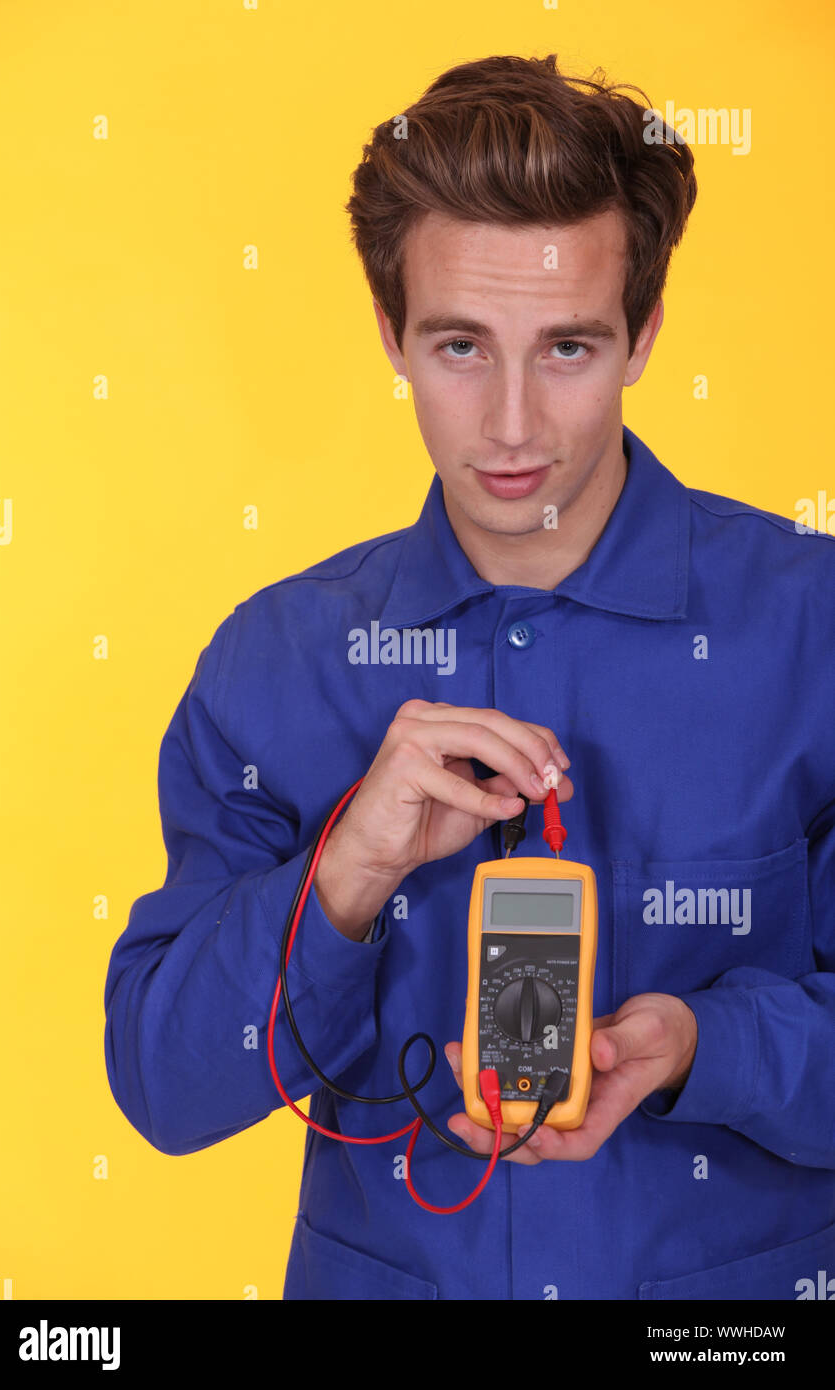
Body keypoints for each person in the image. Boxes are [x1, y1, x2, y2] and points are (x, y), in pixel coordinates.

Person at [103, 52, 835, 1300]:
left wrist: (701, 1044)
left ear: (643, 335)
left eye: (565, 347)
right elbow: (166, 1089)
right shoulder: (276, 660)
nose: (507, 425)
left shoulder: (810, 629)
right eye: (456, 344)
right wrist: (346, 870)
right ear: (389, 332)